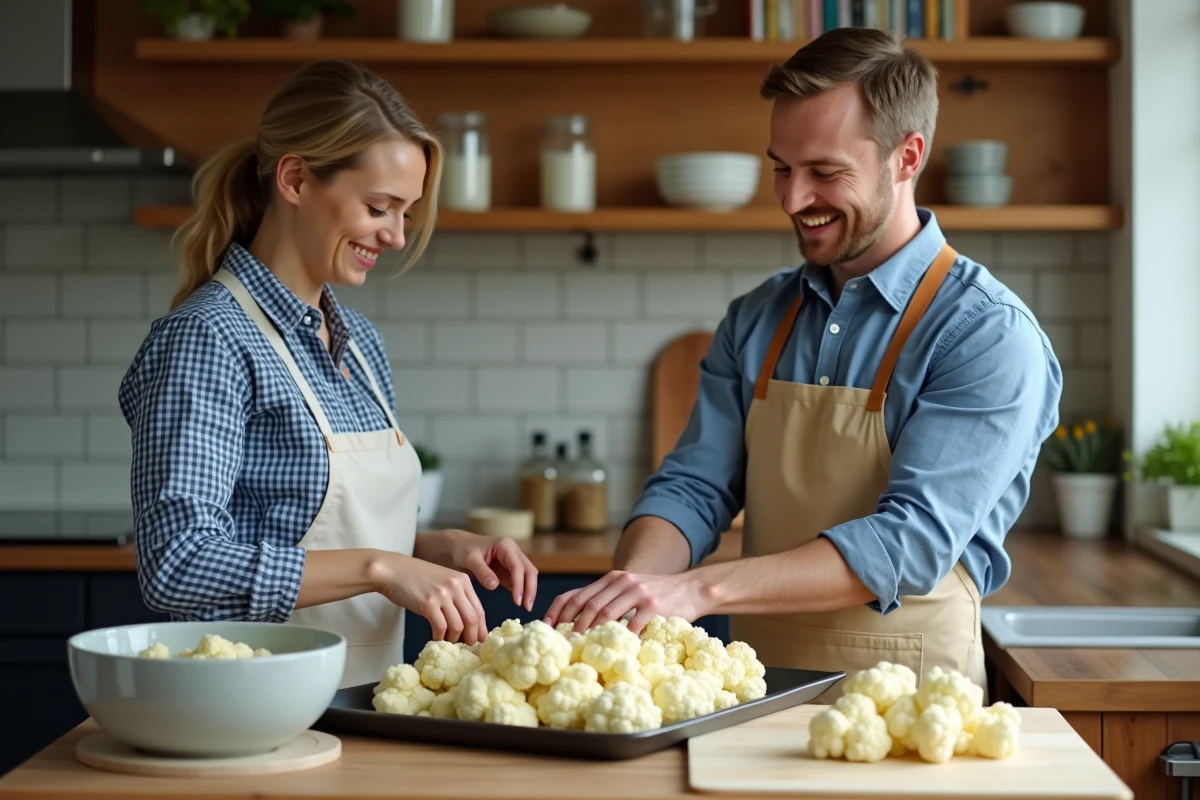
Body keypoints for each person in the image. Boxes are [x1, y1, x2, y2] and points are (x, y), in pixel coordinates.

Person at [543, 27, 1063, 697]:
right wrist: (634, 591)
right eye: (782, 169)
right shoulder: (758, 318)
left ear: (907, 158)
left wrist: (697, 588)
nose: (792, 201)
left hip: (910, 709)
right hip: (754, 696)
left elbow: (911, 540)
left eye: (825, 172)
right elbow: (694, 488)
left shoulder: (985, 334)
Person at [119, 60, 537, 689]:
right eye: (379, 207)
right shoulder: (209, 340)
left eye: (407, 213)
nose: (396, 236)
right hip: (250, 706)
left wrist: (436, 548)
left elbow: (305, 526)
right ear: (294, 178)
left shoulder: (360, 343)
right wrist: (381, 566)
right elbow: (178, 563)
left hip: (367, 699)